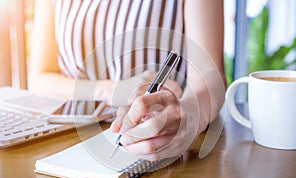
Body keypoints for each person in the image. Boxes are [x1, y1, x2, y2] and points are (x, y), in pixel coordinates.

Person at [30, 0, 226, 161]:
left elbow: (210, 72)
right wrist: (110, 91)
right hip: (61, 141)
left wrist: (191, 114)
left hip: (156, 143)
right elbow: (39, 78)